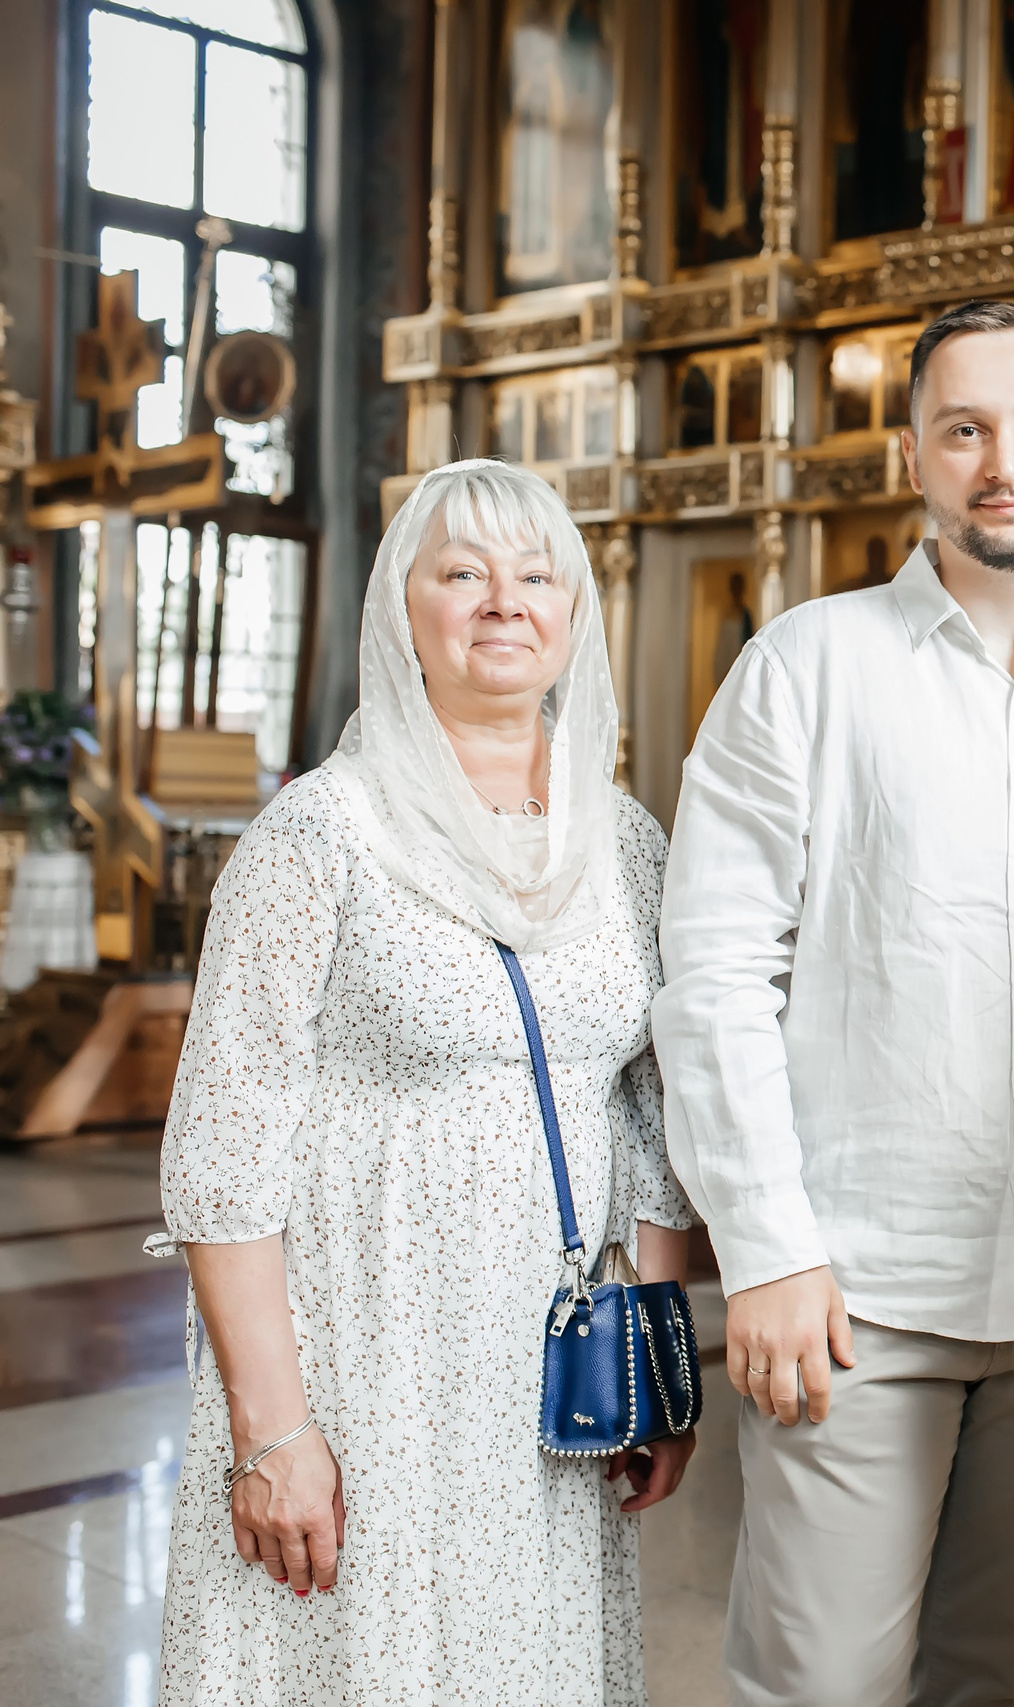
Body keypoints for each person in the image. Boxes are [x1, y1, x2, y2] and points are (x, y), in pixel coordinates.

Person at [653, 299, 1014, 1706]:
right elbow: (716, 973)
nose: (1003, 459)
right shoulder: (807, 666)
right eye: (964, 428)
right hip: (858, 1284)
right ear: (913, 454)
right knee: (821, 1684)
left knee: (990, 1676)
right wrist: (770, 1247)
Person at [157, 459, 697, 1704]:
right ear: (403, 613)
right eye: (462, 573)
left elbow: (656, 1116)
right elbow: (224, 1154)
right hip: (365, 1349)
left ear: (575, 616)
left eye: (535, 574)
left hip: (554, 1365)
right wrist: (272, 1429)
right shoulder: (318, 835)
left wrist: (655, 1365)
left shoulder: (623, 842)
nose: (503, 602)